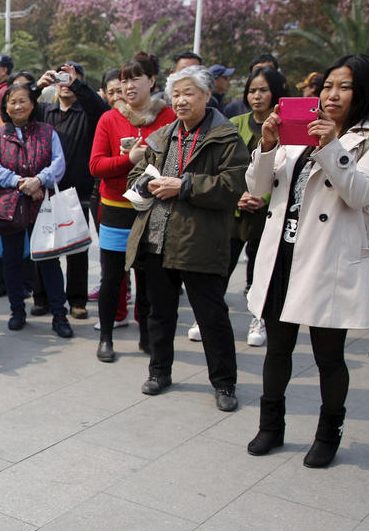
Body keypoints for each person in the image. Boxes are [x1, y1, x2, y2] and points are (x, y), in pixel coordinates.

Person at [245, 54, 369, 467]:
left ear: (362, 91)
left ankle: (329, 432)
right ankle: (270, 426)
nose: (332, 94)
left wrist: (331, 145)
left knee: (328, 355)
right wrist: (268, 144)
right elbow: (260, 188)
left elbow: (361, 193)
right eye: (328, 85)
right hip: (283, 252)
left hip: (327, 258)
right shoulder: (298, 125)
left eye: (344, 86)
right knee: (277, 348)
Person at [126, 64, 248, 411]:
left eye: (188, 93)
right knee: (159, 312)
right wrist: (145, 183)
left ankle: (224, 382)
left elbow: (233, 185)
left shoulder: (225, 137)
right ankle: (159, 371)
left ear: (207, 96)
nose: (180, 101)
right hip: (158, 236)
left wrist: (185, 185)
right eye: (176, 94)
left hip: (200, 240)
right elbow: (138, 171)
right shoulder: (163, 135)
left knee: (211, 316)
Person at [89, 52, 174, 360]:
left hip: (154, 210)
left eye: (135, 78)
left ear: (152, 81)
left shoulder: (169, 119)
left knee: (150, 277)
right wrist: (130, 159)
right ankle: (107, 337)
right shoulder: (109, 118)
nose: (128, 85)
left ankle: (146, 336)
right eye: (123, 80)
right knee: (112, 277)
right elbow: (96, 166)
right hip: (115, 209)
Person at [0, 83, 70, 336]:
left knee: (49, 261)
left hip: (43, 206)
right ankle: (17, 311)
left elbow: (58, 164)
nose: (17, 106)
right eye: (12, 102)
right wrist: (22, 183)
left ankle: (59, 315)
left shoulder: (47, 131)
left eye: (23, 101)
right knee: (11, 261)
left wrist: (40, 180)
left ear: (33, 104)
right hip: (10, 208)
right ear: (5, 107)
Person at [35, 61, 109, 321]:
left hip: (78, 190)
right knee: (45, 246)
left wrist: (77, 84)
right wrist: (37, 87)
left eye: (72, 78)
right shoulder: (44, 110)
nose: (65, 82)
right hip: (44, 189)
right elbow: (15, 109)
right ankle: (42, 297)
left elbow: (102, 109)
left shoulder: (88, 111)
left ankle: (77, 300)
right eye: (61, 77)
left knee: (76, 248)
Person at [229, 66, 289, 347]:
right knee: (220, 265)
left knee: (260, 268)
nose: (257, 96)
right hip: (234, 206)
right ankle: (210, 316)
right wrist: (239, 194)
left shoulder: (288, 126)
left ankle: (259, 319)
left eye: (263, 90)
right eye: (252, 90)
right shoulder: (234, 123)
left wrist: (261, 197)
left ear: (275, 91)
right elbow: (226, 166)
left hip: (269, 210)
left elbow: (287, 171)